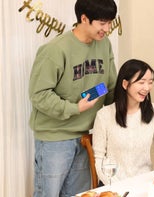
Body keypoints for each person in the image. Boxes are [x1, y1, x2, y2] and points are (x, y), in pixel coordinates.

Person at [28, 0, 118, 196]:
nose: (107, 29)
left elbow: (111, 87)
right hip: (55, 138)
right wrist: (75, 108)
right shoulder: (55, 50)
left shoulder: (105, 45)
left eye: (110, 22)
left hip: (86, 137)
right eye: (102, 23)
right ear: (84, 19)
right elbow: (38, 95)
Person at [92, 59, 154, 184]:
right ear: (125, 84)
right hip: (114, 186)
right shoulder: (104, 115)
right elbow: (99, 161)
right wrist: (118, 188)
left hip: (144, 184)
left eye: (150, 82)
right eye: (141, 82)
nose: (147, 88)